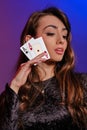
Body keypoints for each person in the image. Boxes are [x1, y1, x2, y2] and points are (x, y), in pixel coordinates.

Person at [0, 6, 87, 130]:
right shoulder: (11, 95)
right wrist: (15, 86)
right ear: (30, 41)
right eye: (51, 33)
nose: (61, 41)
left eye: (64, 35)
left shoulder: (81, 84)